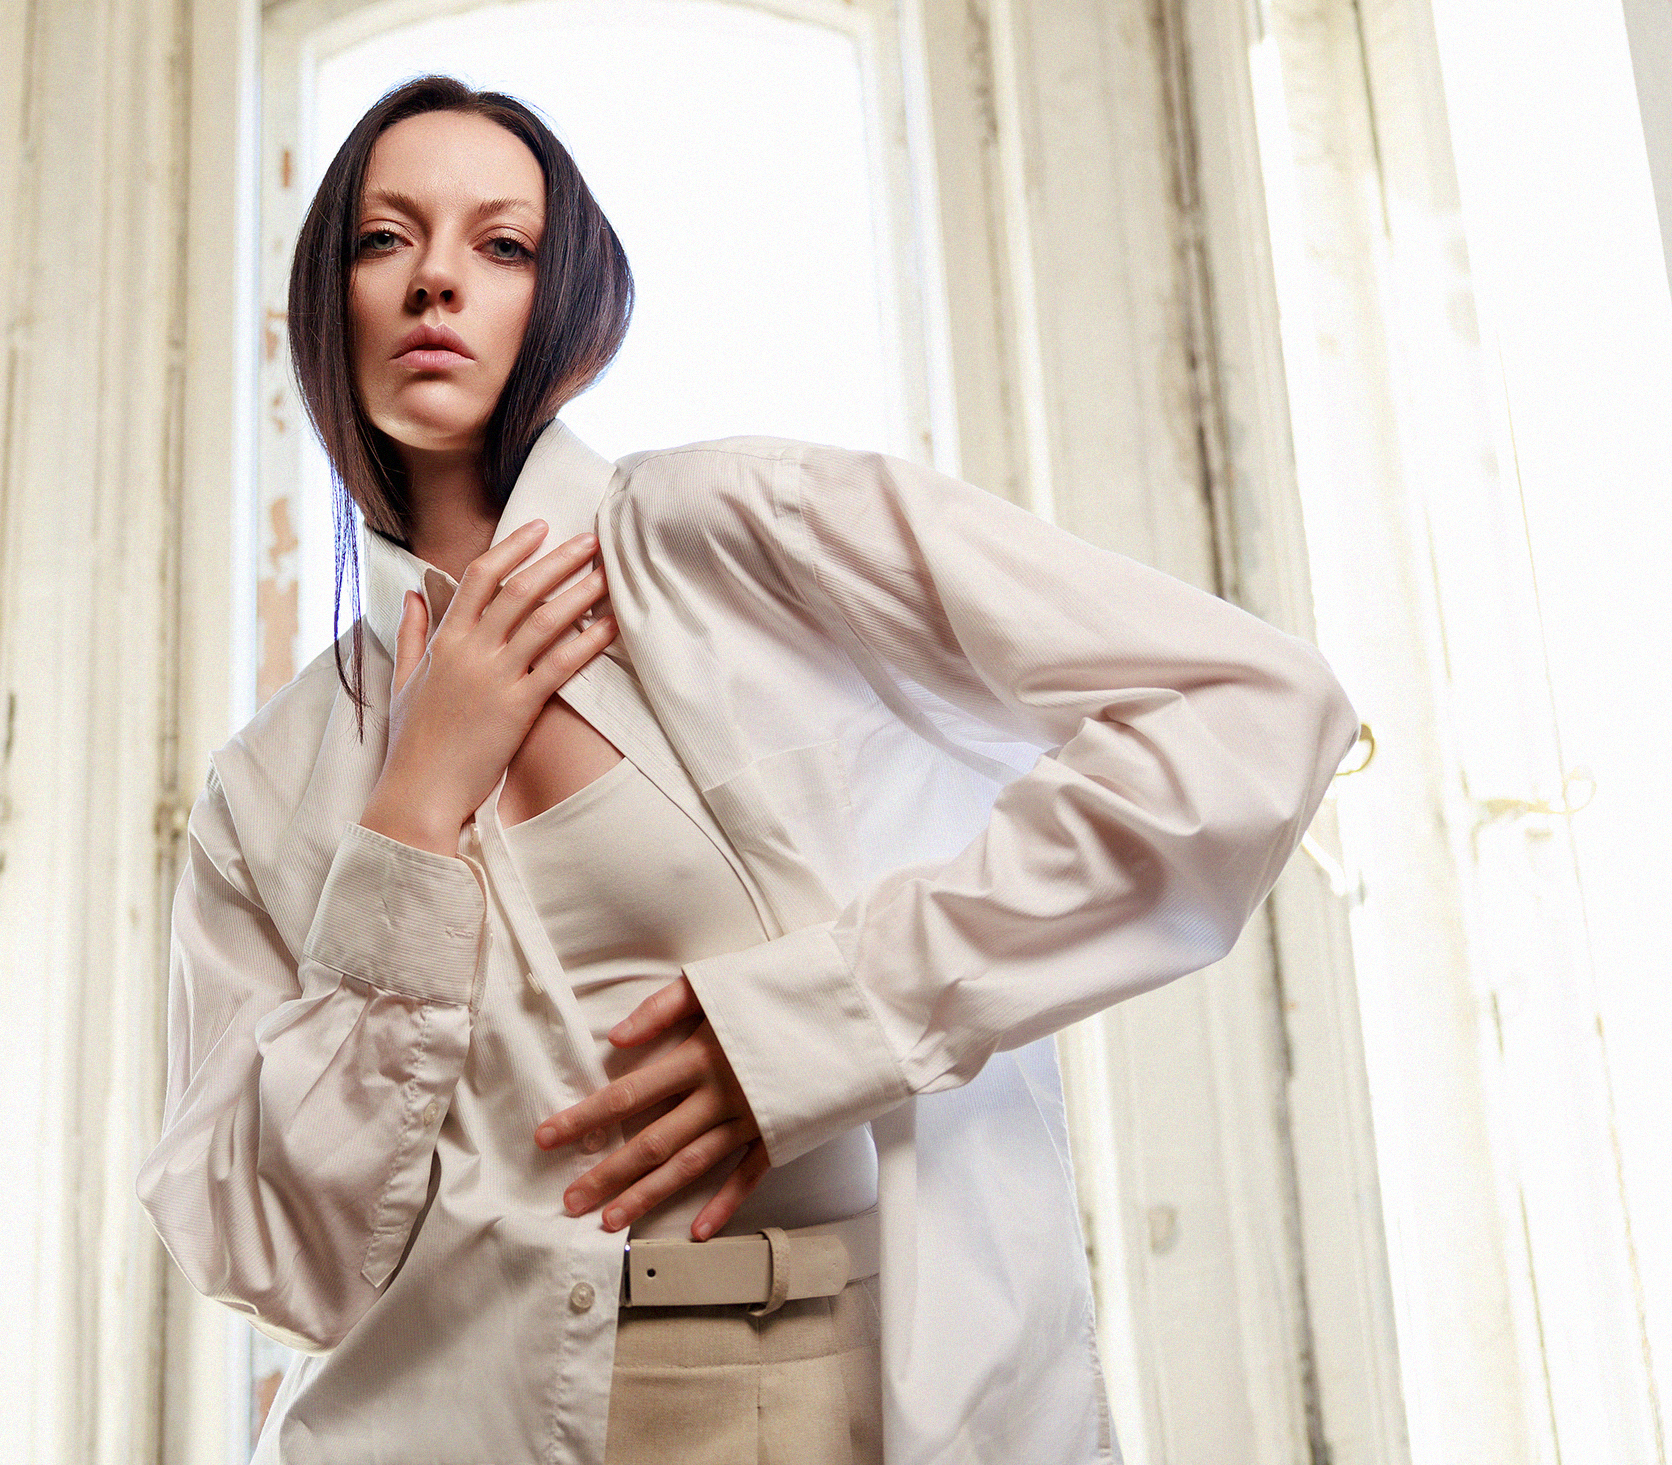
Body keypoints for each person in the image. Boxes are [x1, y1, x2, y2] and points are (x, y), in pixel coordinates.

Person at [136, 74, 1359, 1465]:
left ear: (571, 306)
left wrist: (828, 1020)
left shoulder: (739, 534)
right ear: (327, 301)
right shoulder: (266, 788)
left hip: (828, 1393)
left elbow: (1253, 708)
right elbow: (266, 1257)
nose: (435, 281)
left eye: (503, 244)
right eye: (383, 239)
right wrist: (412, 815)